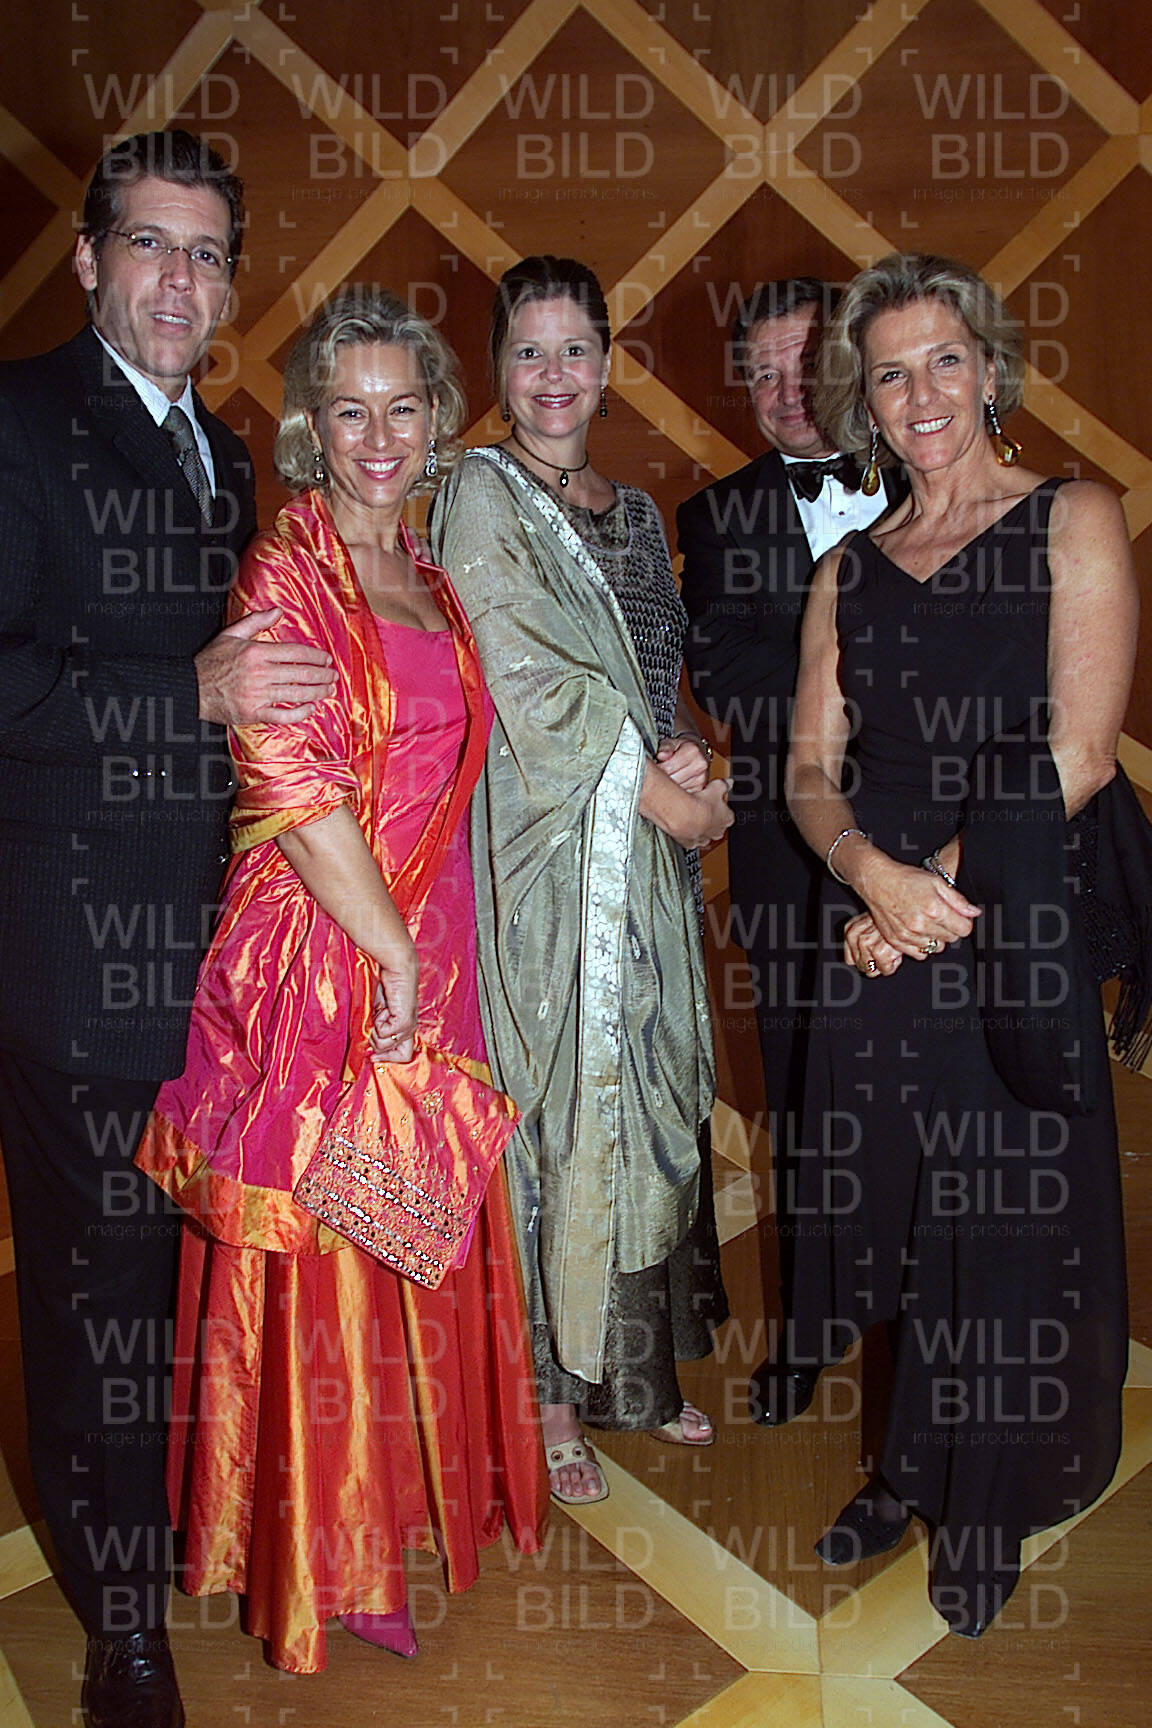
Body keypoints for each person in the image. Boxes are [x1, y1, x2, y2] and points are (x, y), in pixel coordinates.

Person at [134, 287, 547, 1673]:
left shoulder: (425, 564)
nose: (378, 436)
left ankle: (405, 1501)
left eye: (403, 408)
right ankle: (329, 1549)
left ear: (438, 422)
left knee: (409, 1219)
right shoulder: (288, 569)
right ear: (311, 426)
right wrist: (391, 952)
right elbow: (293, 785)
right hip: (328, 949)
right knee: (332, 1257)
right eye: (349, 411)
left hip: (431, 942)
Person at [0, 131, 335, 1728]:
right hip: (77, 961)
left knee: (181, 1291)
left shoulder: (231, 453)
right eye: (149, 244)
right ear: (88, 258)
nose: (178, 280)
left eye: (206, 253)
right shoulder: (15, 420)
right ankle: (121, 1627)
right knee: (97, 1310)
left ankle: (169, 1535)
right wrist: (183, 694)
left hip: (214, 965)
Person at [784, 251, 1136, 1635]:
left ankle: (983, 1505)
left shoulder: (1073, 516)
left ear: (989, 368)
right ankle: (904, 1468)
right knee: (899, 1215)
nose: (920, 392)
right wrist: (868, 875)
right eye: (890, 374)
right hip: (884, 912)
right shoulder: (845, 572)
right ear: (863, 402)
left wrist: (924, 897)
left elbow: (1082, 755)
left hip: (1012, 913)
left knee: (1003, 1223)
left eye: (944, 359)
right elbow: (807, 772)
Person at [432, 255, 732, 1505]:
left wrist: (691, 757)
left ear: (608, 366)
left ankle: (633, 1377)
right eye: (528, 352)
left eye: (574, 350)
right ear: (497, 371)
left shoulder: (641, 513)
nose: (552, 375)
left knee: (645, 1099)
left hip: (642, 862)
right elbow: (531, 687)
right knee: (556, 1112)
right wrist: (667, 797)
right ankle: (551, 1401)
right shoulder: (475, 494)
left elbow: (653, 685)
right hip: (541, 865)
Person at [676, 279, 905, 1428]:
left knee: (933, 1098)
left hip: (939, 847)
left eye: (803, 364)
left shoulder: (939, 473)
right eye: (761, 374)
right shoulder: (715, 517)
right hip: (788, 863)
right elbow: (730, 675)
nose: (783, 393)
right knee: (809, 1102)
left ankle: (930, 1336)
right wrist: (896, 691)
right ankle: (809, 1336)